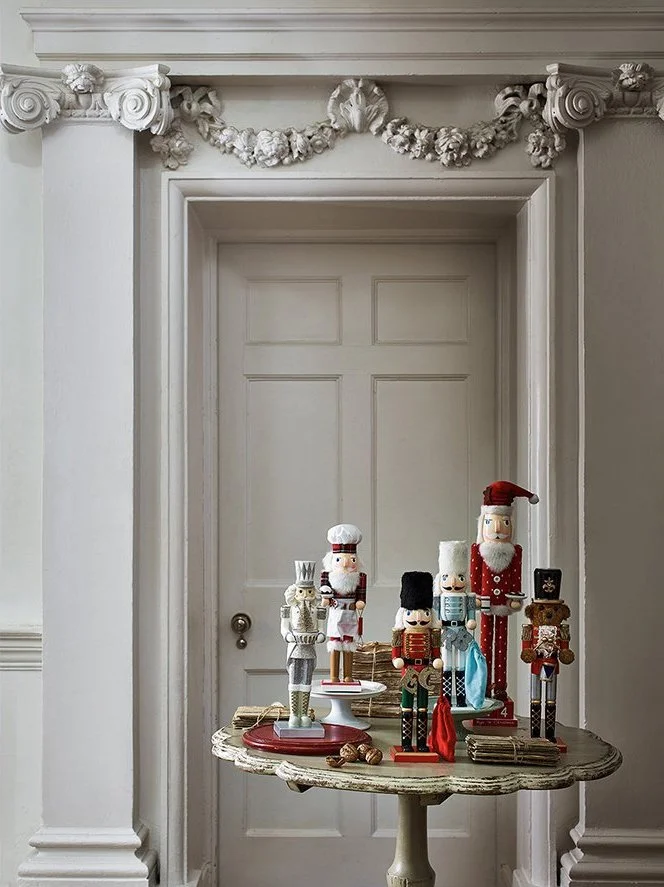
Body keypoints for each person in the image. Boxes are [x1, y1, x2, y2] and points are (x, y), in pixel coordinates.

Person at [470, 481, 538, 722]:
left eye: (504, 523)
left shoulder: (514, 551)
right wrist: (477, 596)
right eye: (492, 523)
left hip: (505, 605)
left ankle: (500, 686)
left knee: (503, 645)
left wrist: (515, 598)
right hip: (486, 605)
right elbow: (475, 578)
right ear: (484, 524)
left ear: (511, 524)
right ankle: (484, 686)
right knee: (485, 646)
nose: (499, 529)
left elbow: (516, 577)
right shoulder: (478, 550)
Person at [320, 524, 366, 683]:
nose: (346, 564)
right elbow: (324, 590)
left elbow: (361, 594)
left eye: (352, 559)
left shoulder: (359, 577)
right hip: (336, 612)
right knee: (334, 644)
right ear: (332, 560)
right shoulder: (328, 576)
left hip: (351, 614)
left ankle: (348, 675)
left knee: (348, 644)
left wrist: (360, 601)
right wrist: (325, 598)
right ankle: (334, 675)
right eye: (339, 559)